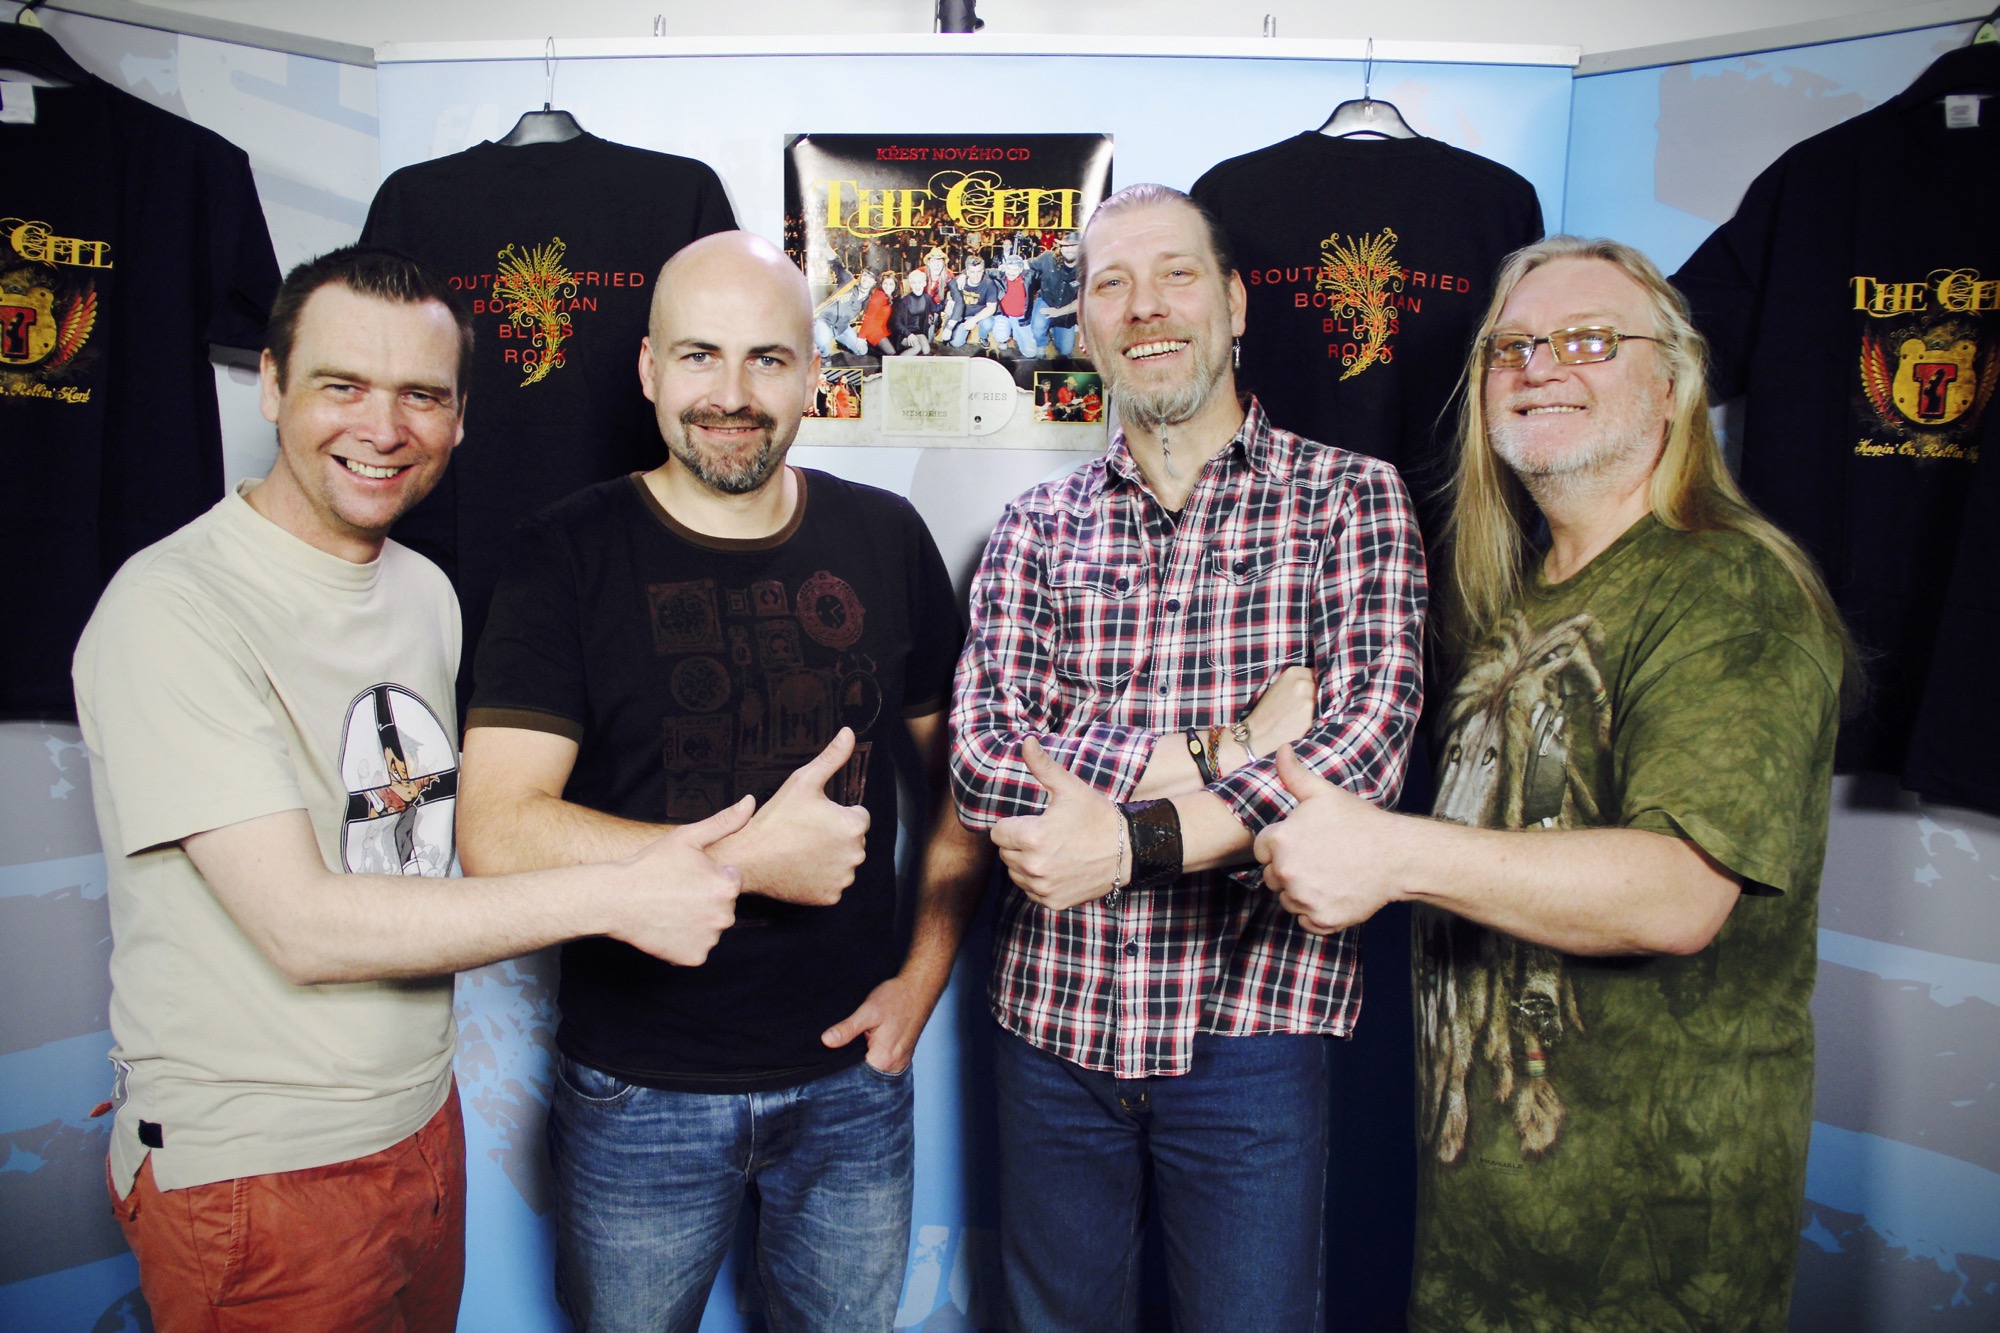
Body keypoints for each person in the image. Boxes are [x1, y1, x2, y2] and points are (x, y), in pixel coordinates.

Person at [72, 245, 747, 1333]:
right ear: (272, 383)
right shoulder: (171, 607)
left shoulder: (424, 590)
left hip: (418, 1128)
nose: (383, 428)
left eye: (422, 396)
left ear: (461, 418)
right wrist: (624, 892)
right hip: (258, 1172)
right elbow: (302, 927)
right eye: (342, 385)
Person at [1253, 236, 1851, 1331]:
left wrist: (1390, 851)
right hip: (1479, 1243)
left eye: (1588, 340)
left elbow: (1679, 892)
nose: (1539, 366)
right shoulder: (1512, 600)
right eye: (1512, 346)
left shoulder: (1728, 586)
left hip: (1648, 1260)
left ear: (1670, 384)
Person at [456, 230, 988, 1333]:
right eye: (699, 355)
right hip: (637, 1090)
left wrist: (922, 980)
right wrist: (745, 861)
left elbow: (964, 785)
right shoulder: (564, 553)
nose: (733, 395)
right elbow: (497, 831)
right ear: (649, 369)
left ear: (813, 373)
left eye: (767, 359)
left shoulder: (884, 537)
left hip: (851, 1085)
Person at [949, 183, 1427, 1331]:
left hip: (1250, 1028)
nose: (1144, 306)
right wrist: (1229, 744)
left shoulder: (1349, 500)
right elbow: (985, 760)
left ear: (1235, 303)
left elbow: (1358, 753)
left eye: (1175, 275)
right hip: (1052, 1023)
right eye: (1110, 284)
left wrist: (1126, 843)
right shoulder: (1034, 526)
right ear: (1082, 322)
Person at [1026, 230, 1083, 358]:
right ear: (1060, 247)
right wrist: (1010, 266)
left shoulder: (1087, 269)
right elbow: (1028, 264)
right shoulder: (1048, 257)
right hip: (1046, 300)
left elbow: (1083, 301)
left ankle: (1053, 329)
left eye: (1073, 246)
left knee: (1065, 350)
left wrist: (1058, 312)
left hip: (1067, 309)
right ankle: (1041, 344)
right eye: (1066, 246)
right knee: (1038, 327)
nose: (1069, 250)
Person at [940, 250, 1003, 352]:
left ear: (983, 271)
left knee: (988, 323)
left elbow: (991, 308)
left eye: (979, 271)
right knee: (956, 343)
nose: (976, 275)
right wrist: (949, 305)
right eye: (972, 272)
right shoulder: (958, 281)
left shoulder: (989, 284)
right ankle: (964, 330)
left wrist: (974, 320)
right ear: (967, 272)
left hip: (980, 315)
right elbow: (951, 298)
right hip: (962, 315)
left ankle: (983, 336)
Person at [812, 268, 874, 358]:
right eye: (865, 275)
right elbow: (838, 265)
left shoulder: (869, 300)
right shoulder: (848, 282)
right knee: (823, 342)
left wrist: (862, 337)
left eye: (871, 278)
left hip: (842, 328)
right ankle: (824, 356)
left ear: (874, 282)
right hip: (825, 322)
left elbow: (869, 318)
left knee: (862, 350)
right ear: (861, 275)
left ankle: (841, 344)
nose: (866, 279)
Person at [891, 266, 936, 356]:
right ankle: (897, 362)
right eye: (914, 283)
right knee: (917, 348)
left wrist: (947, 302)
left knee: (926, 350)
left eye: (919, 282)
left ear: (924, 283)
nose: (917, 286)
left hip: (919, 333)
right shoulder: (904, 300)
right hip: (904, 334)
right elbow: (896, 323)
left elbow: (934, 309)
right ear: (910, 285)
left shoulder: (926, 297)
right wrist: (908, 334)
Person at [859, 269, 898, 357]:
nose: (888, 287)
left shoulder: (890, 296)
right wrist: (861, 337)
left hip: (883, 330)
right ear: (881, 284)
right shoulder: (879, 296)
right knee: (892, 353)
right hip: (873, 331)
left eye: (891, 284)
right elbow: (868, 317)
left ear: (895, 286)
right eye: (885, 283)